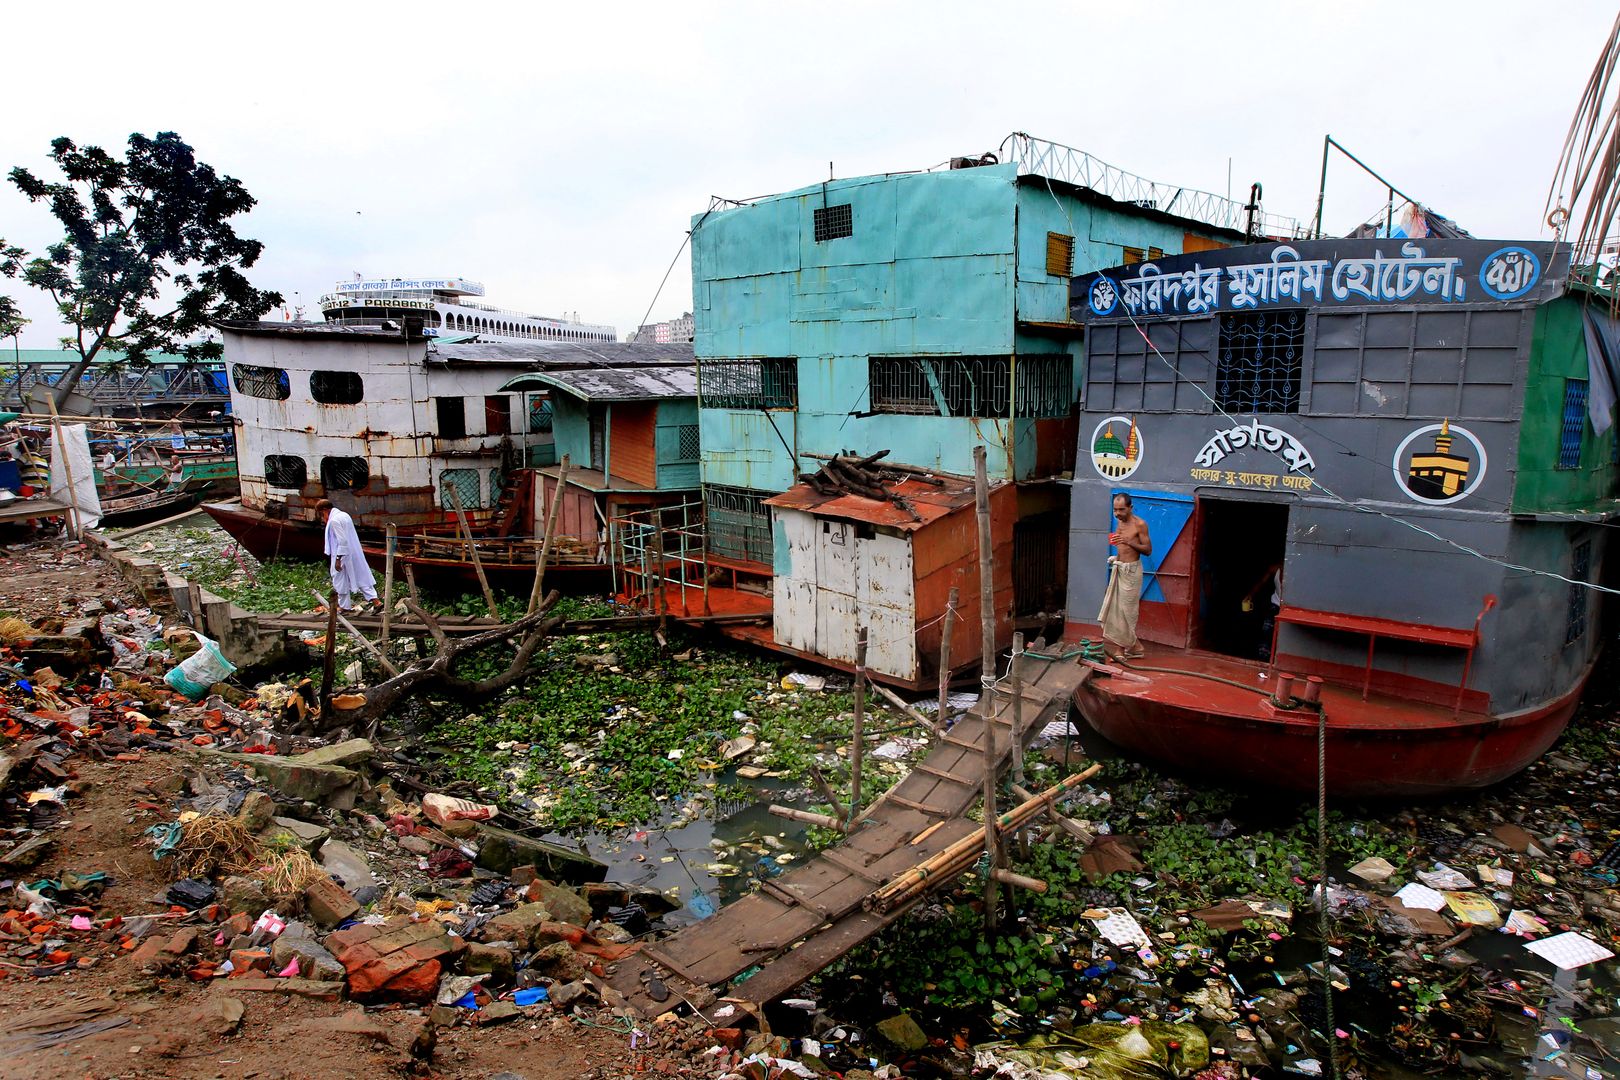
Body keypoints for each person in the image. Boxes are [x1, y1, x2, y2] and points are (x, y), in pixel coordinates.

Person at [1098, 492, 1151, 660]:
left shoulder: (1140, 524)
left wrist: (1129, 542)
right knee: (1115, 609)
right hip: (1119, 568)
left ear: (1130, 508)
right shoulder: (1119, 522)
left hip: (1132, 571)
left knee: (1126, 611)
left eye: (1121, 509)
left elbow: (1148, 550)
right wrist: (1116, 558)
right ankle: (1134, 646)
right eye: (1115, 510)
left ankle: (1123, 649)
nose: (1118, 513)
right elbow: (1120, 546)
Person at [317, 499, 380, 613]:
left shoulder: (334, 521)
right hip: (353, 552)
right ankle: (376, 602)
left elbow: (342, 541)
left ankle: (344, 606)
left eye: (322, 514)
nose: (323, 517)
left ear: (325, 510)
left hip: (341, 554)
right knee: (361, 576)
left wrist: (338, 559)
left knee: (339, 579)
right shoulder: (344, 515)